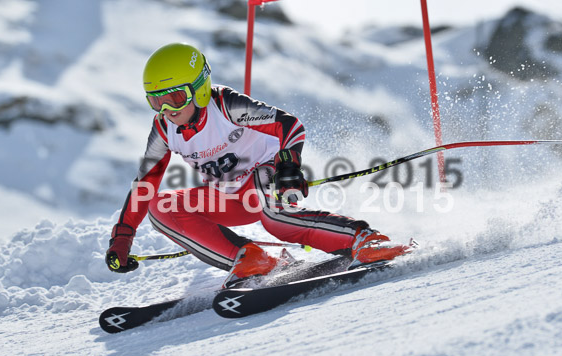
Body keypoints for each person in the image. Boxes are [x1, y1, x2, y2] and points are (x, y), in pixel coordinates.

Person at [105, 42, 410, 288]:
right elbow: (145, 184)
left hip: (265, 178)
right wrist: (123, 236)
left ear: (198, 88)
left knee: (275, 220)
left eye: (174, 97)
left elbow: (288, 126)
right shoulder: (163, 129)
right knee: (161, 208)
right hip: (229, 197)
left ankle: (364, 239)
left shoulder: (225, 105)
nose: (167, 109)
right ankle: (252, 258)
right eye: (156, 102)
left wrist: (289, 167)